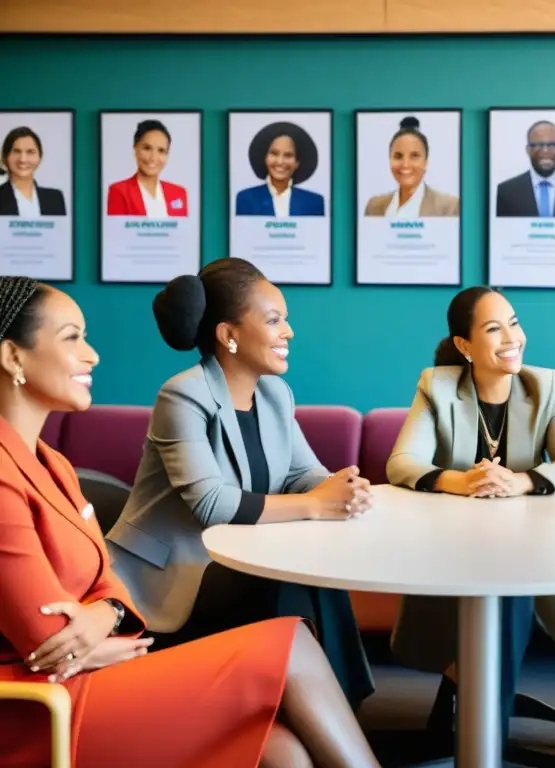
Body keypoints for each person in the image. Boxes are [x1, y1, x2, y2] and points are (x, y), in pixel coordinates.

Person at [0, 276, 379, 768]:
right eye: (72, 337)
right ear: (13, 358)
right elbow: (48, 641)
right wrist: (101, 631)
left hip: (100, 666)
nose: (92, 355)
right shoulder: (9, 471)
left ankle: (335, 713)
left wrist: (106, 616)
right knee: (289, 645)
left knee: (284, 750)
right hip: (41, 705)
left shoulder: (54, 463)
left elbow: (105, 582)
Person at [105, 258, 375, 706]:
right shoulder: (183, 394)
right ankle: (310, 704)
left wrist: (339, 486)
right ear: (229, 335)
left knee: (311, 573)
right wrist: (315, 504)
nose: (288, 332)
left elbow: (300, 472)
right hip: (174, 574)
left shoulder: (274, 393)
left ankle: (339, 703)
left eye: (285, 319)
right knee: (283, 580)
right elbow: (210, 504)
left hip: (232, 560)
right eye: (274, 320)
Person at [386, 285, 555, 747]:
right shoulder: (437, 385)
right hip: (449, 547)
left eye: (514, 323)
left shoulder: (546, 385)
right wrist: (461, 480)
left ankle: (487, 732)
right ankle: (486, 725)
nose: (511, 338)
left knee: (512, 582)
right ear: (464, 346)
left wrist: (520, 481)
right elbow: (401, 463)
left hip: (525, 545)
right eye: (493, 328)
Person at [363, 116, 459, 218]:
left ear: (425, 162)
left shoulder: (449, 207)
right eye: (398, 156)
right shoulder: (374, 207)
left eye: (414, 156)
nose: (405, 164)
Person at [495, 120, 555, 217]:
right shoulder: (507, 191)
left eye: (552, 145)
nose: (545, 151)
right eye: (538, 145)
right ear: (528, 150)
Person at [235, 122, 326, 217]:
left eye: (288, 155)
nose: (280, 162)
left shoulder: (314, 202)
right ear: (264, 157)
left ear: (297, 163)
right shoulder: (246, 199)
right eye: (274, 153)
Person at [106, 119, 188, 217]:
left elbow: (183, 231)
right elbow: (116, 231)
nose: (153, 158)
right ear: (135, 149)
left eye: (161, 150)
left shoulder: (178, 193)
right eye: (147, 148)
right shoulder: (119, 191)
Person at [0, 127, 67, 216]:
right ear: (5, 157)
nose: (23, 159)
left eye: (30, 152)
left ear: (39, 157)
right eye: (16, 151)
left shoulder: (55, 199)